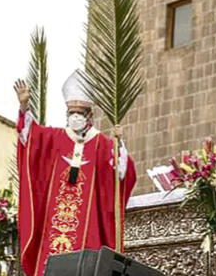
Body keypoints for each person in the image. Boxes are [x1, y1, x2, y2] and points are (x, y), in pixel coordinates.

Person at [14, 70, 137, 276]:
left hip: (89, 234)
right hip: (52, 232)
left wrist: (119, 144)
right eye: (72, 112)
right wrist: (24, 106)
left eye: (80, 112)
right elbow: (29, 137)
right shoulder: (54, 138)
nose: (76, 117)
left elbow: (123, 174)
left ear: (90, 114)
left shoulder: (103, 145)